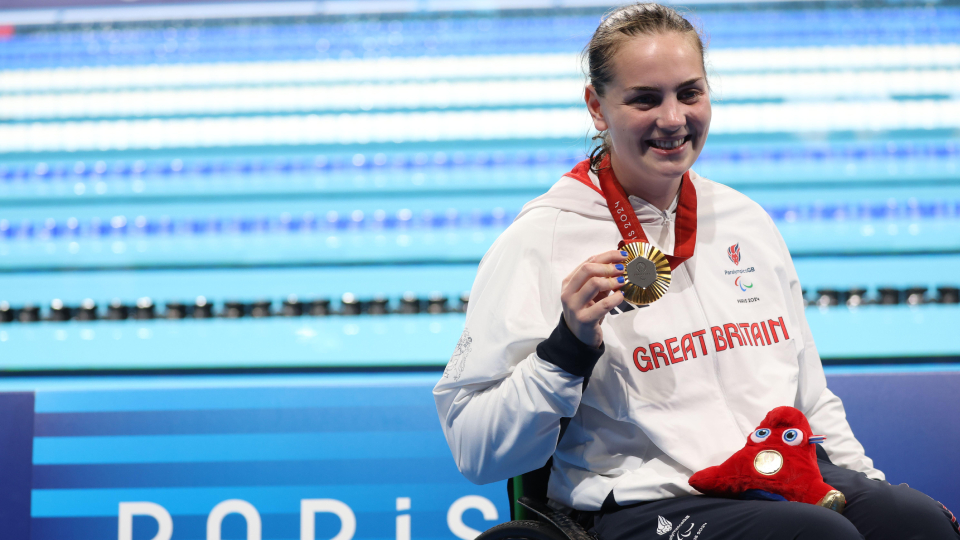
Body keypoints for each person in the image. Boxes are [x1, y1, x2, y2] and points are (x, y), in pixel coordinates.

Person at [433, 3, 959, 539]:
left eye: (690, 93)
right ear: (597, 106)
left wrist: (866, 488)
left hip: (778, 479)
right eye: (645, 99)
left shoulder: (744, 220)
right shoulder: (541, 239)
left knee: (916, 524)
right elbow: (475, 449)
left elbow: (809, 396)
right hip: (648, 504)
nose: (673, 119)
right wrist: (564, 351)